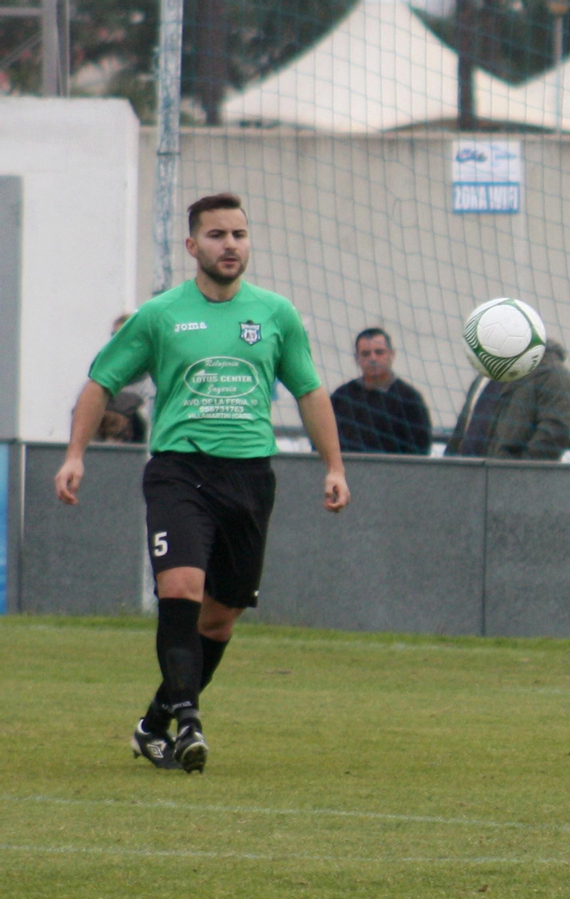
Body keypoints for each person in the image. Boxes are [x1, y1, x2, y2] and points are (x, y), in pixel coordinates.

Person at [53, 192, 350, 774]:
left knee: (220, 617)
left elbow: (310, 391)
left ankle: (154, 723)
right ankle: (189, 721)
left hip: (248, 477)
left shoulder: (275, 315)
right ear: (193, 246)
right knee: (181, 587)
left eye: (239, 234)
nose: (230, 245)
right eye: (217, 235)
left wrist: (334, 466)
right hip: (179, 471)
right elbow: (100, 380)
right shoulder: (161, 315)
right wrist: (75, 455)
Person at [444, 340, 570, 459]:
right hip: (464, 479)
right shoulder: (486, 374)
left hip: (509, 480)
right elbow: (462, 430)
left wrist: (514, 474)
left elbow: (554, 435)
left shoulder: (552, 376)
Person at [329, 327, 432, 455]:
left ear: (392, 354)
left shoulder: (409, 398)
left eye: (379, 352)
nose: (373, 359)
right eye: (365, 353)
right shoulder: (341, 397)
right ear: (357, 358)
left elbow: (420, 448)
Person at [93, 313, 149, 444]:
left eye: (125, 336)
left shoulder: (158, 378)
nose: (118, 342)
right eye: (115, 336)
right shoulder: (100, 378)